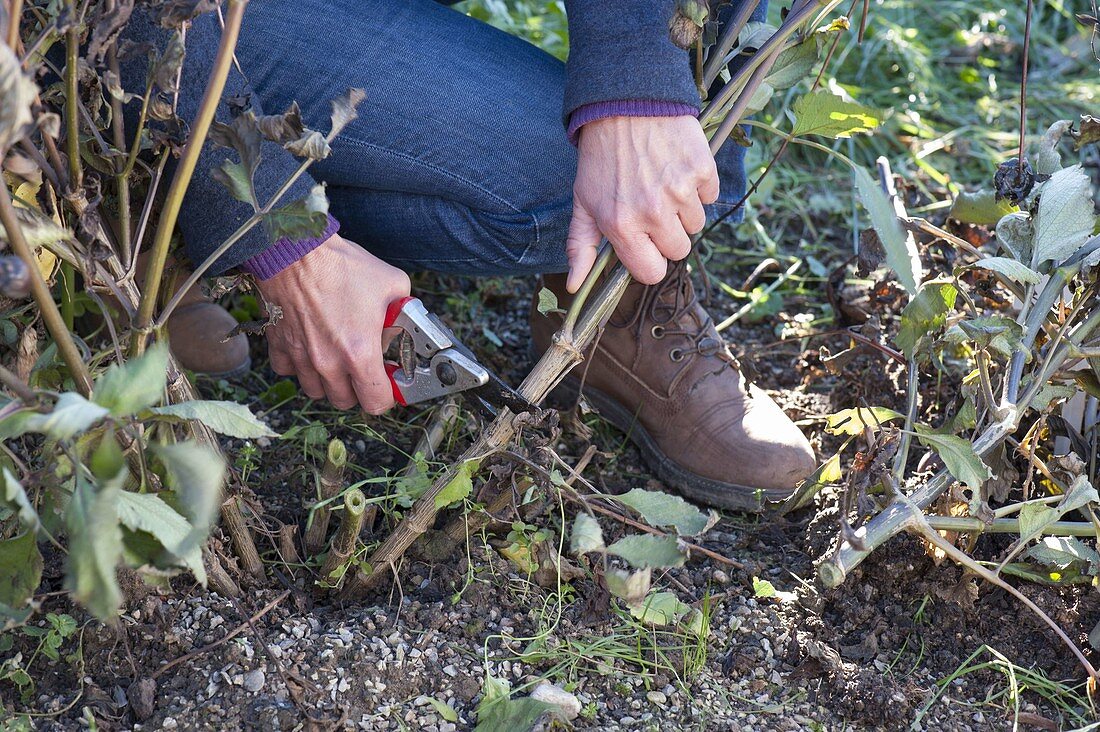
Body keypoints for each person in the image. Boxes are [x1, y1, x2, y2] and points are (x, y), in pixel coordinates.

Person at [123, 0, 816, 511]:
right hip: (154, 26)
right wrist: (278, 236)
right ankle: (152, 202)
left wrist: (634, 75)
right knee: (562, 178)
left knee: (698, 153)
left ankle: (619, 311)